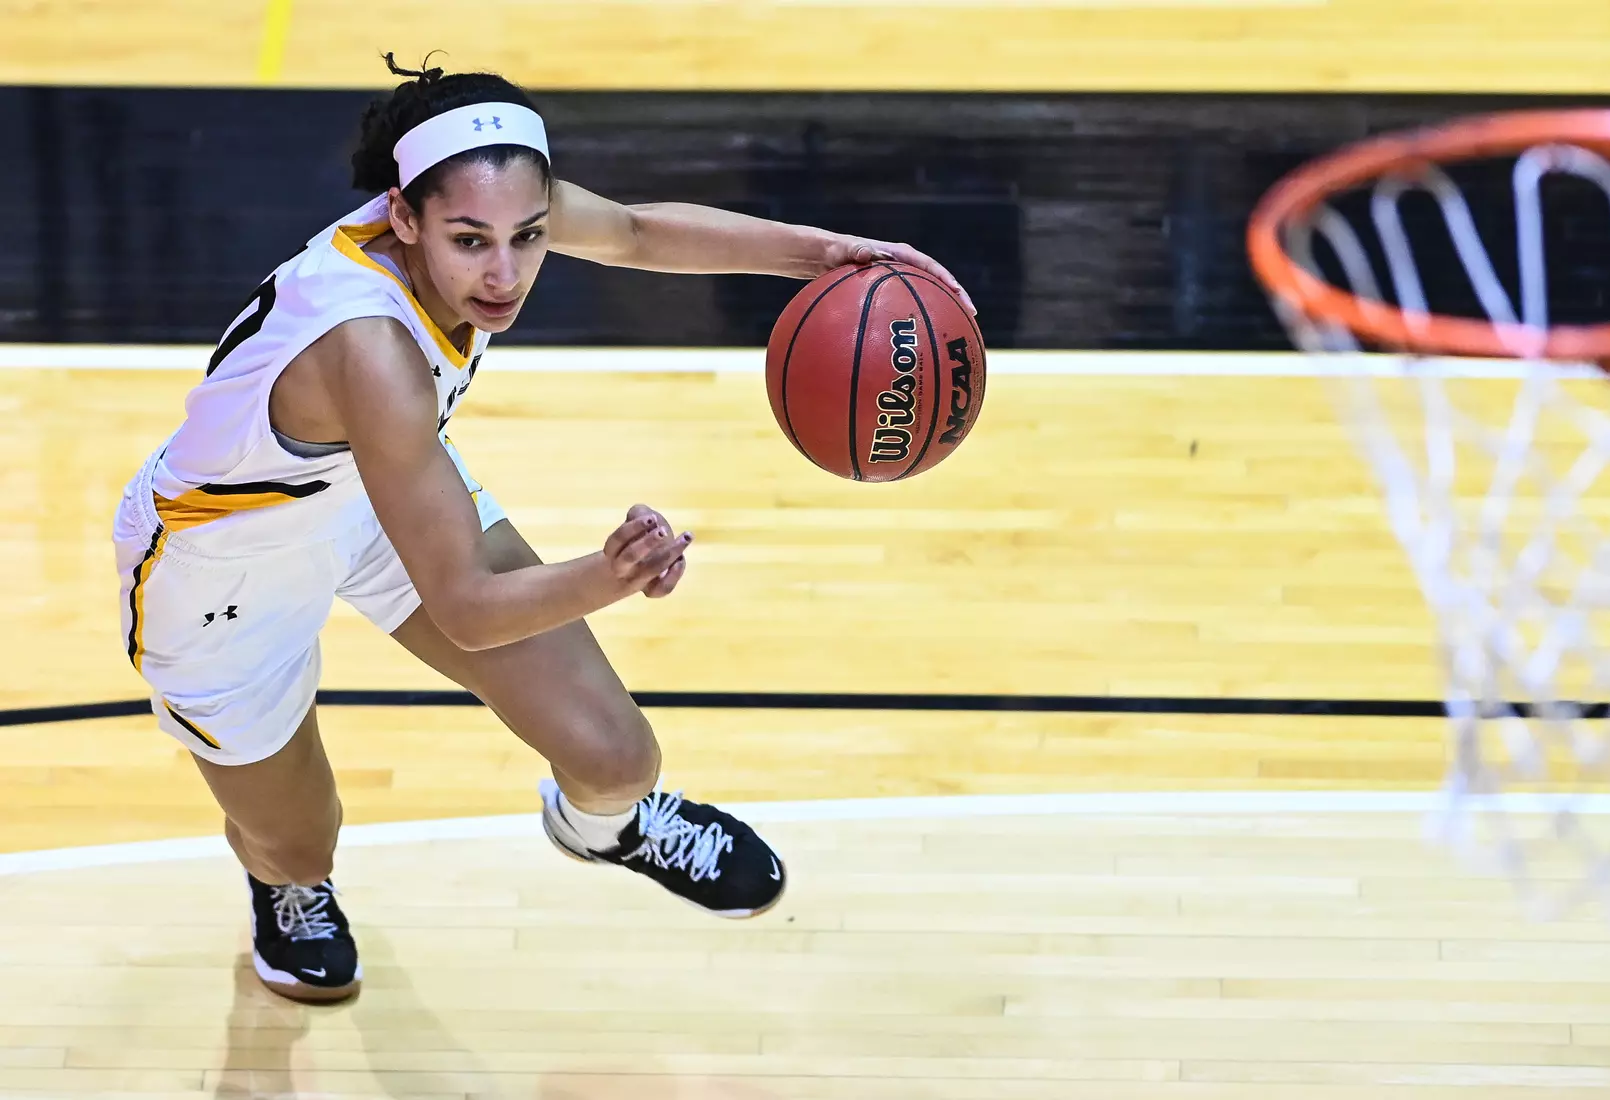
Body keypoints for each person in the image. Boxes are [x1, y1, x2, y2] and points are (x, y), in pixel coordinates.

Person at [110, 54, 974, 1004]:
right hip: (224, 572)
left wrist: (826, 256)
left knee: (618, 761)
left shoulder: (484, 200)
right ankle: (287, 889)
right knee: (299, 836)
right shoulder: (369, 349)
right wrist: (614, 573)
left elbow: (639, 233)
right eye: (472, 242)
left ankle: (602, 827)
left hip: (379, 491)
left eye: (528, 236)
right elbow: (473, 612)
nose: (506, 272)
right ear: (403, 218)